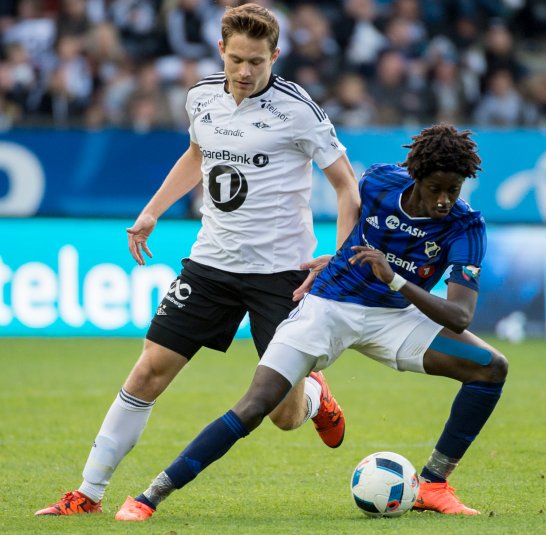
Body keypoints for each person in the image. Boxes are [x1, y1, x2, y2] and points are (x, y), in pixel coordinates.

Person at [35, 3, 360, 516]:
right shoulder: (201, 97)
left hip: (281, 275)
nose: (246, 72)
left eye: (257, 61)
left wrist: (340, 260)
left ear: (276, 55)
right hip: (211, 264)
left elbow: (347, 187)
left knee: (282, 414)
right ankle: (89, 492)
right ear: (220, 52)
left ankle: (315, 398)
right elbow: (196, 154)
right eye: (236, 60)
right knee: (148, 372)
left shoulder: (298, 109)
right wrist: (151, 213)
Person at [113, 123, 508, 521]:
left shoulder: (465, 225)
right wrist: (340, 256)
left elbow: (460, 315)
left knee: (490, 367)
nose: (444, 200)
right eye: (435, 189)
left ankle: (434, 484)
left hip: (395, 318)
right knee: (257, 406)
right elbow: (354, 213)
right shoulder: (379, 182)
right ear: (416, 177)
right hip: (328, 307)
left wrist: (395, 278)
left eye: (453, 191)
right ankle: (150, 496)